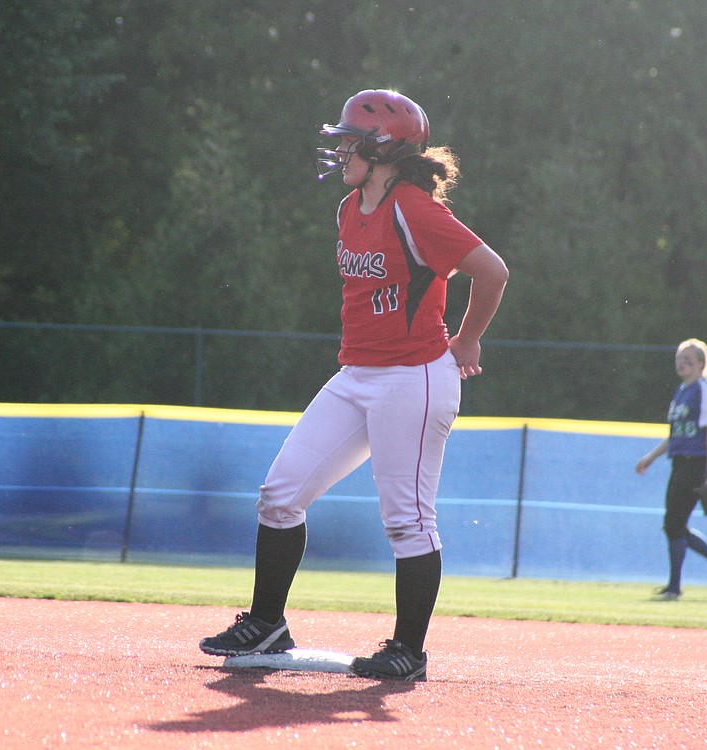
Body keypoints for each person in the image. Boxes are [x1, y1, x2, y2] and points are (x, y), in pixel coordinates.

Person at [199, 89, 509, 681]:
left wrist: (467, 341)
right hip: (358, 373)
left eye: (351, 140)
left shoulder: (413, 208)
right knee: (280, 495)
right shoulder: (349, 209)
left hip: (414, 378)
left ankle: (407, 651)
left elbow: (492, 271)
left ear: (385, 148)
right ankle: (268, 625)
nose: (340, 150)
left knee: (407, 520)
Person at [635, 338, 707, 601]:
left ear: (700, 364)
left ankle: (676, 588)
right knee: (675, 525)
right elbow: (676, 435)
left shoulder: (703, 388)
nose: (681, 363)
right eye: (678, 359)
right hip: (680, 462)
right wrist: (651, 457)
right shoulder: (681, 391)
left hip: (695, 464)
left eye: (688, 360)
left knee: (673, 524)